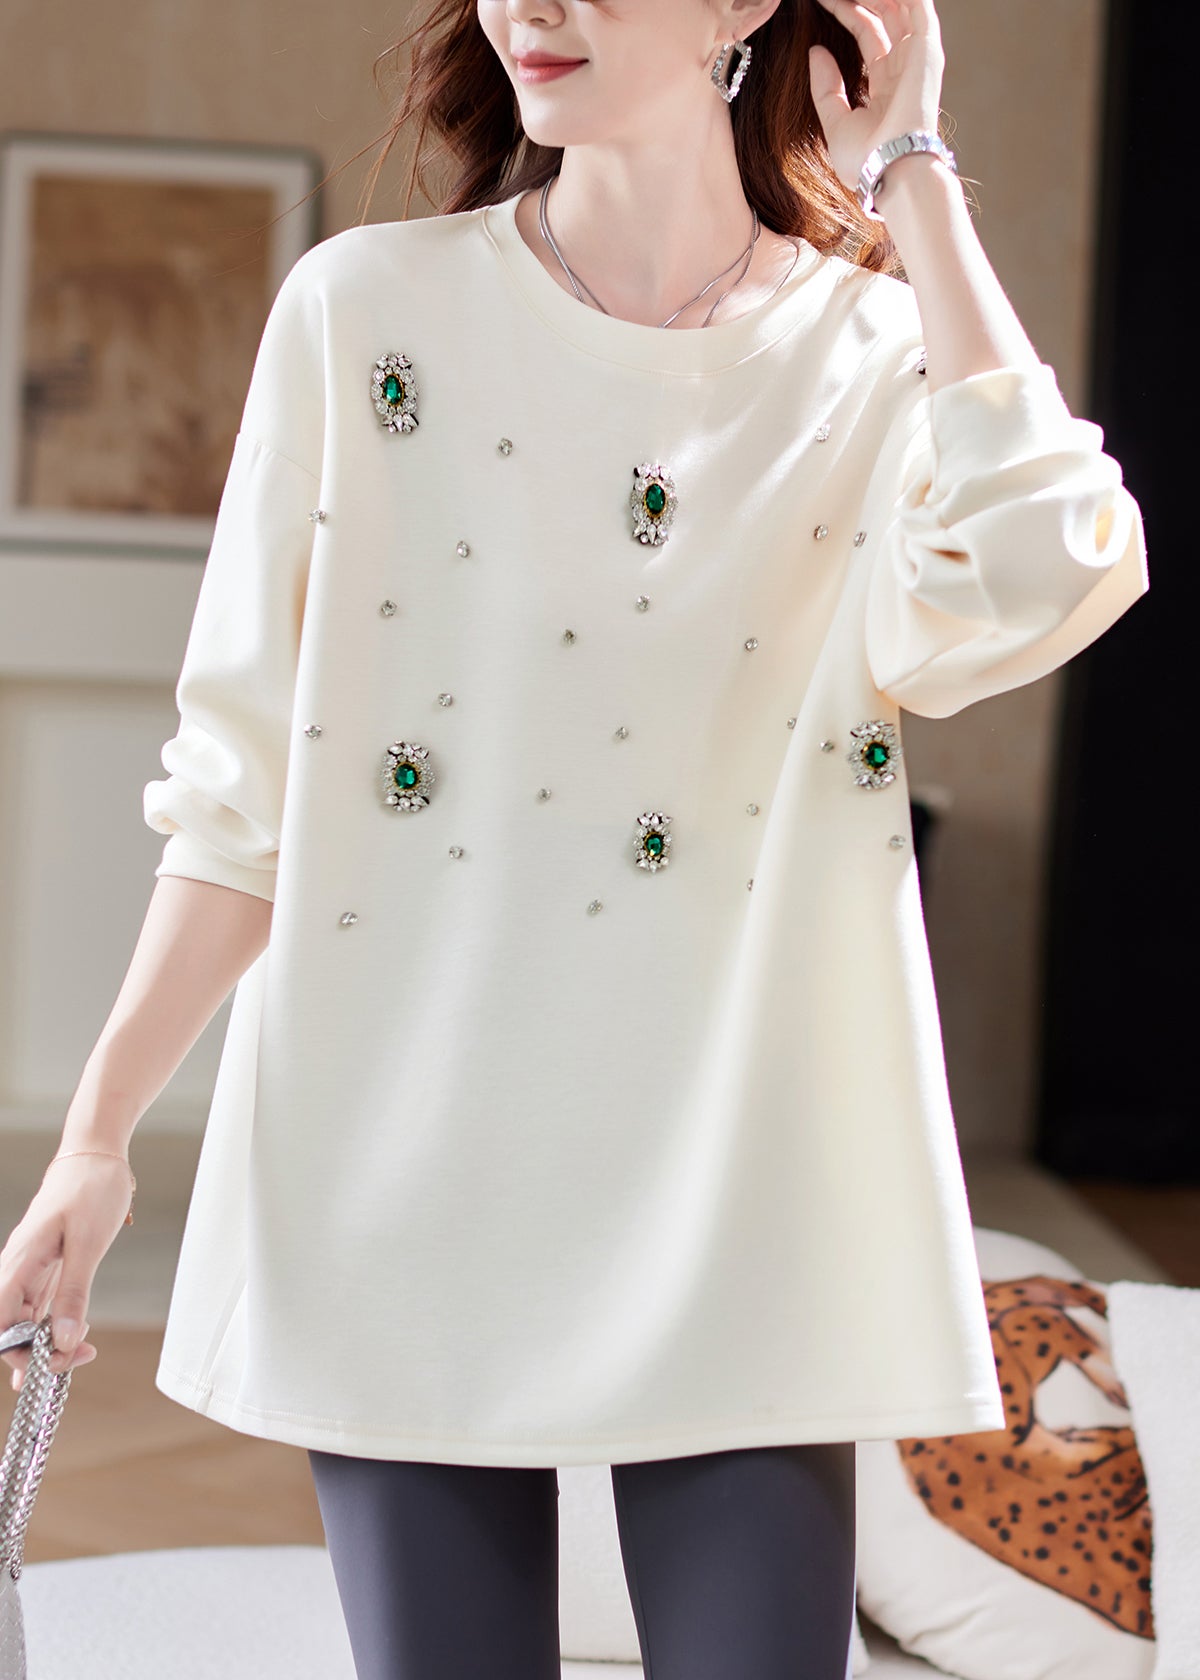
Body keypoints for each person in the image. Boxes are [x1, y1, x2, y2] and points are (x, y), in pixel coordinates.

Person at [0, 0, 1148, 1675]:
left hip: (748, 1185)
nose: (533, 6)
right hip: (403, 1164)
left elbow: (1053, 565)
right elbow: (241, 792)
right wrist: (97, 1141)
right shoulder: (361, 311)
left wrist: (914, 173)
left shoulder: (878, 354)